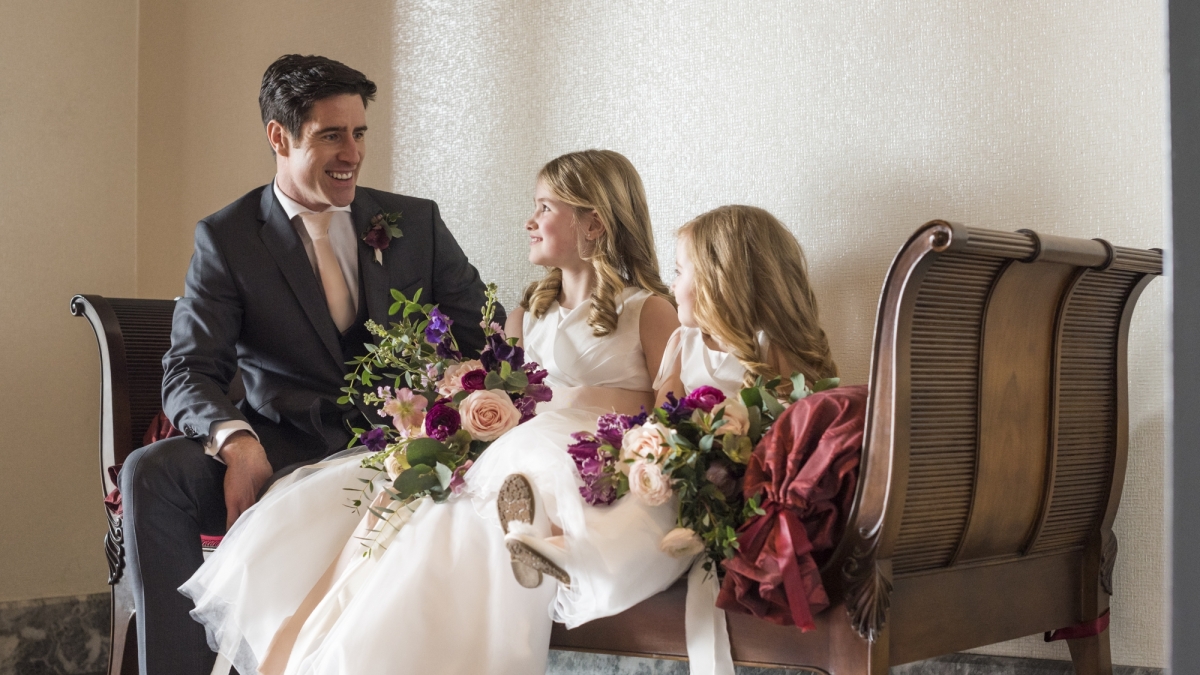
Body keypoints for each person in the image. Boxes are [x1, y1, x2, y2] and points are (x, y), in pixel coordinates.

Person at [181, 149, 682, 675]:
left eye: (545, 207)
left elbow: (671, 413)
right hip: (508, 450)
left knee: (464, 520)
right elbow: (502, 394)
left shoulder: (645, 309)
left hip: (583, 456)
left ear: (594, 223)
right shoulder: (526, 314)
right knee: (391, 503)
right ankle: (312, 648)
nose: (529, 221)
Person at [120, 54, 494, 675]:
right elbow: (189, 367)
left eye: (359, 133)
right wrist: (236, 442)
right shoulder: (228, 238)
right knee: (150, 472)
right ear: (278, 135)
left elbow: (481, 334)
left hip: (398, 447)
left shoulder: (414, 223)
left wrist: (447, 419)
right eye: (330, 135)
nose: (352, 152)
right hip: (282, 445)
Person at [505, 203, 840, 674]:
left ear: (721, 281)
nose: (672, 282)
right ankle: (549, 536)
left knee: (656, 524)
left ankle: (570, 552)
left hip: (731, 481)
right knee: (627, 493)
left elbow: (789, 428)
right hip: (679, 465)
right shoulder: (684, 343)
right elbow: (662, 415)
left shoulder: (768, 348)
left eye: (681, 270)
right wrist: (648, 451)